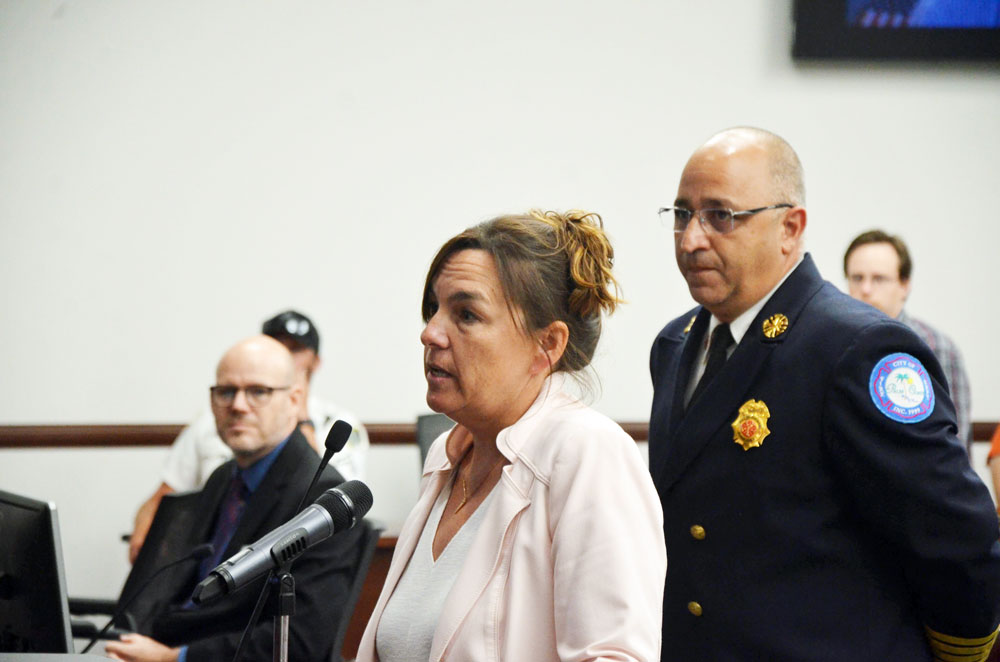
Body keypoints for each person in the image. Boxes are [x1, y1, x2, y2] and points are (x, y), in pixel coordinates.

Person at [649, 127, 1000, 661]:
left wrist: (957, 653)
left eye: (721, 215)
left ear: (790, 227)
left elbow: (957, 538)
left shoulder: (858, 349)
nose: (692, 239)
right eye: (681, 214)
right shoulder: (676, 344)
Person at [357, 210, 666, 662]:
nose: (430, 333)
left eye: (466, 314)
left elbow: (615, 656)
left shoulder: (586, 451)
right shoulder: (448, 456)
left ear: (548, 345)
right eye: (433, 308)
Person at [105, 335, 363, 662]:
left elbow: (303, 642)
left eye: (258, 391)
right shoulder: (224, 476)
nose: (238, 405)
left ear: (296, 400)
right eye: (226, 391)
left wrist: (175, 658)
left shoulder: (321, 501)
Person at [129, 309, 368, 562]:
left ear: (315, 362)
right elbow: (166, 495)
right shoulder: (213, 427)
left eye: (296, 349)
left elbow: (323, 503)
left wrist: (300, 418)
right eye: (276, 344)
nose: (239, 406)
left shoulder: (340, 426)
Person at [844, 229, 972, 451]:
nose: (865, 289)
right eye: (857, 278)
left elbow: (954, 444)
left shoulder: (937, 348)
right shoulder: (835, 346)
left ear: (904, 285)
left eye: (879, 279)